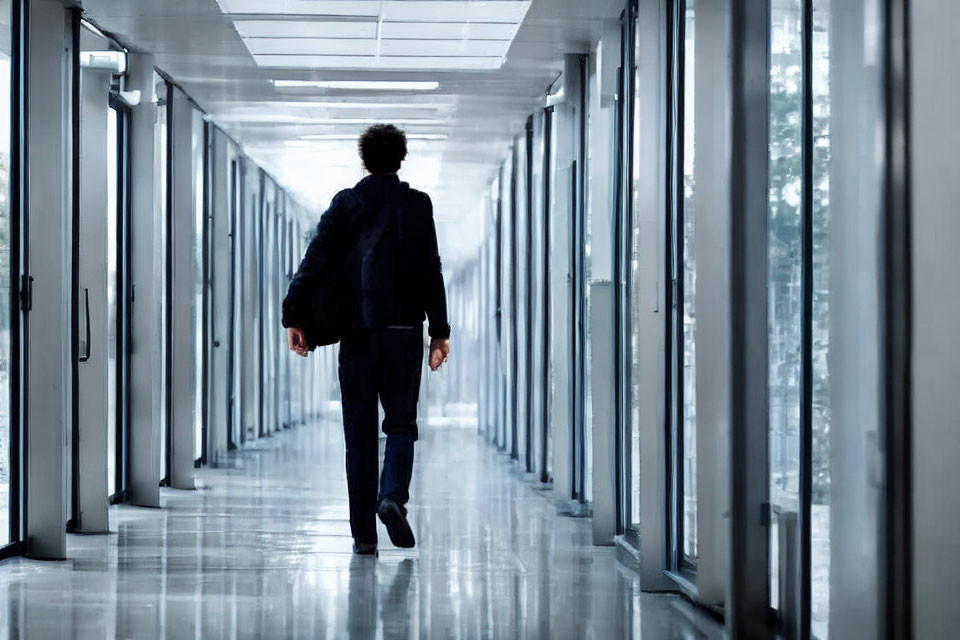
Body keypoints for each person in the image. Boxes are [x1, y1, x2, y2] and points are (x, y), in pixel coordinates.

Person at [282, 124, 451, 556]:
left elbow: (315, 259)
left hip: (357, 335)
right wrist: (440, 331)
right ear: (401, 159)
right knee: (400, 424)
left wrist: (293, 315)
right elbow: (431, 268)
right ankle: (392, 496)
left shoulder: (347, 204)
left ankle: (363, 536)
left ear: (364, 159)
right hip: (405, 336)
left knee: (358, 434)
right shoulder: (417, 205)